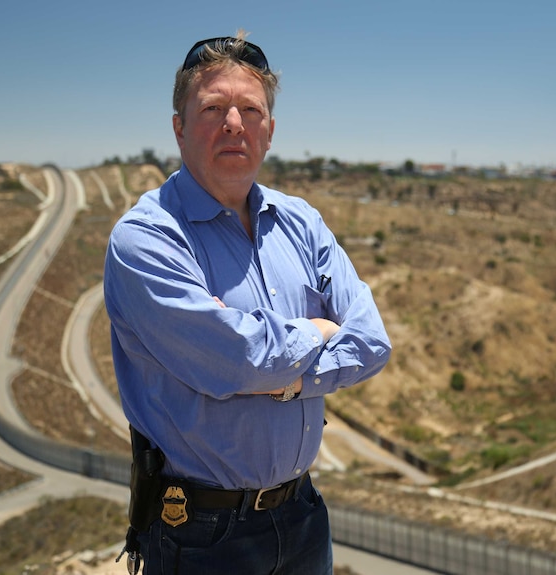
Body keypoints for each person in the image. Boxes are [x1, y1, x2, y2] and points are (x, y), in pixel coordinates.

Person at [103, 32, 391, 575]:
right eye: (213, 108)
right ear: (179, 128)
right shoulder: (146, 239)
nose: (234, 123)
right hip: (203, 535)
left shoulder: (300, 221)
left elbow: (372, 341)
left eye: (250, 110)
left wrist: (286, 377)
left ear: (270, 131)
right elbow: (235, 359)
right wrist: (318, 331)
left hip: (303, 516)